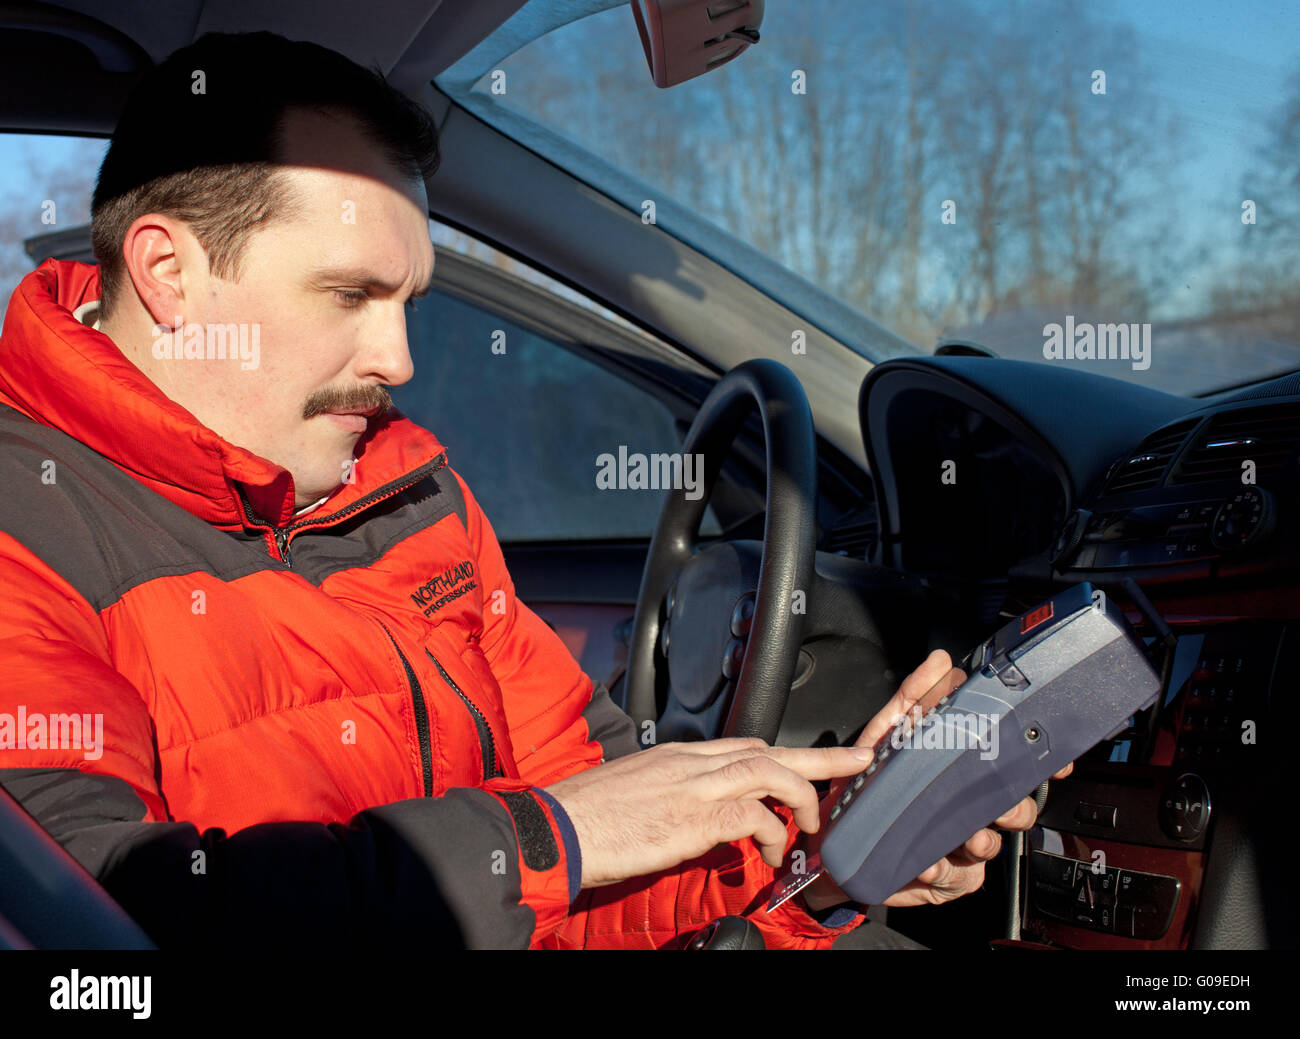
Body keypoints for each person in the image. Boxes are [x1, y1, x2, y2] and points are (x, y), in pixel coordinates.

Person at [0, 31, 1064, 949]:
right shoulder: (26, 528)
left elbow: (595, 847)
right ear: (168, 273)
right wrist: (541, 838)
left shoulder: (416, 500)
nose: (399, 357)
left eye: (408, 298)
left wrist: (826, 857)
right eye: (352, 293)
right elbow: (104, 941)